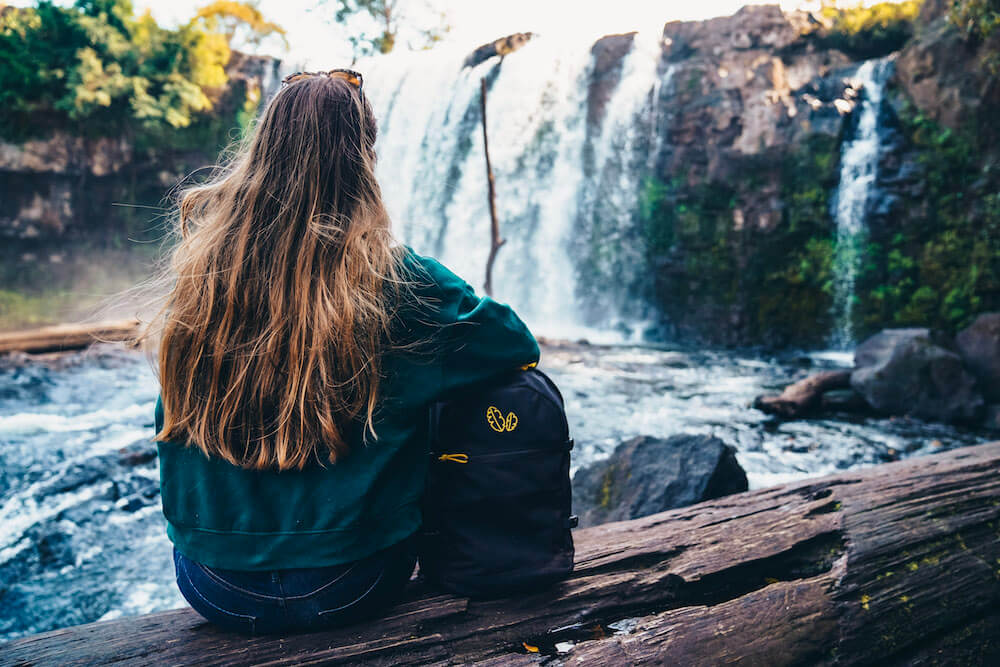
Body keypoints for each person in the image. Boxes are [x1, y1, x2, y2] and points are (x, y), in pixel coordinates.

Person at [144, 68, 539, 635]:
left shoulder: (203, 276)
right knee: (443, 374)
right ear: (363, 160)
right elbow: (514, 343)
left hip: (212, 584)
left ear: (260, 152)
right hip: (353, 580)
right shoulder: (401, 282)